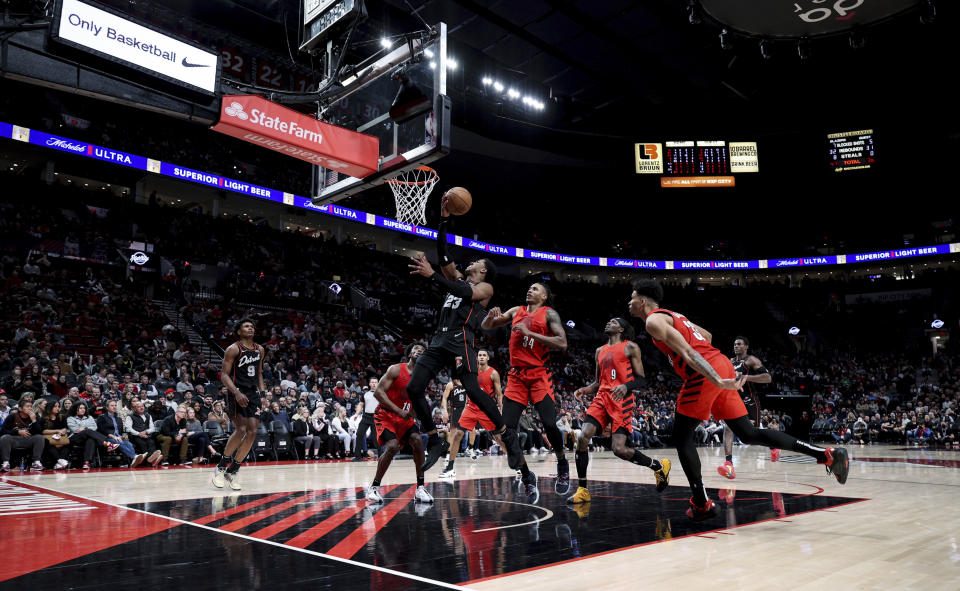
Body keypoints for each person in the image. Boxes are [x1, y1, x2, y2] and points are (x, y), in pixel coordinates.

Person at [629, 279, 849, 520]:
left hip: (706, 374)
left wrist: (714, 378)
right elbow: (707, 336)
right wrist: (715, 371)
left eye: (631, 298)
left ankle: (702, 504)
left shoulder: (653, 320)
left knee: (681, 437)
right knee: (748, 432)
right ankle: (826, 454)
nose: (628, 303)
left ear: (642, 301)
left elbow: (690, 353)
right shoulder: (674, 316)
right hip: (721, 363)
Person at [405, 196, 523, 473]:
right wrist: (444, 220)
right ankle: (435, 441)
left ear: (482, 270)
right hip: (439, 340)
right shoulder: (457, 278)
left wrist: (433, 275)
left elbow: (462, 291)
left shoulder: (486, 289)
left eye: (476, 261)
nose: (470, 262)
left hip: (461, 342)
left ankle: (506, 433)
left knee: (471, 388)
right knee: (413, 388)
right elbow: (444, 254)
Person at [567, 318, 671, 505]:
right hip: (601, 398)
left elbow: (641, 379)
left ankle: (658, 466)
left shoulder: (630, 347)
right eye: (607, 321)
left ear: (621, 329)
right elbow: (598, 382)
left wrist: (625, 386)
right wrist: (585, 389)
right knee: (583, 437)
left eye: (613, 322)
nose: (608, 323)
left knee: (618, 449)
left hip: (621, 400)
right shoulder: (599, 350)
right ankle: (583, 490)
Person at [480, 282, 570, 494]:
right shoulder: (515, 311)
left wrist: (530, 332)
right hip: (517, 376)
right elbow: (486, 326)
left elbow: (562, 342)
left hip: (539, 373)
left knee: (549, 423)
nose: (530, 290)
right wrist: (490, 316)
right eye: (529, 287)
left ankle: (562, 463)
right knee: (505, 430)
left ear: (545, 296)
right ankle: (528, 475)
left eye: (536, 289)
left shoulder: (549, 314)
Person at [366, 343, 434, 505]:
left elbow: (418, 400)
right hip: (386, 415)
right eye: (416, 349)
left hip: (404, 417)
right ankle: (374, 487)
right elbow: (378, 392)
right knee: (392, 446)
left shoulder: (423, 376)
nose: (419, 351)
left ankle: (420, 488)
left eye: (422, 350)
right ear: (409, 353)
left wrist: (416, 412)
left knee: (417, 440)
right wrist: (399, 411)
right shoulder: (396, 369)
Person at [213, 318, 265, 491]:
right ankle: (220, 468)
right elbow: (224, 375)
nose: (250, 328)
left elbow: (259, 373)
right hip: (237, 391)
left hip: (253, 393)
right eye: (246, 326)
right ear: (238, 331)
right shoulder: (233, 349)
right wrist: (236, 392)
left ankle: (233, 470)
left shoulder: (260, 349)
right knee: (241, 429)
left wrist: (263, 394)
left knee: (253, 432)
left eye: (252, 326)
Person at [718, 336, 776, 479]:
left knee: (750, 435)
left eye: (739, 344)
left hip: (749, 400)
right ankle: (729, 463)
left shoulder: (751, 360)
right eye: (734, 344)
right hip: (733, 399)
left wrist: (746, 377)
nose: (736, 346)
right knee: (728, 428)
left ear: (746, 347)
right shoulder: (729, 362)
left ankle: (774, 444)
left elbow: (767, 377)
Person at [68, 401, 118, 469]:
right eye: (80, 408)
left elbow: (94, 427)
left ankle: (86, 463)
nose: (83, 409)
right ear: (75, 409)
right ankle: (107, 443)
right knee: (88, 431)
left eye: (84, 408)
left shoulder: (89, 417)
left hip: (88, 437)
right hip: (75, 438)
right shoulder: (70, 418)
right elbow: (75, 430)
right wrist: (86, 429)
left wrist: (84, 428)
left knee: (91, 440)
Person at [97, 399, 145, 467]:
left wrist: (124, 436)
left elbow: (121, 431)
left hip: (118, 437)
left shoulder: (118, 418)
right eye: (112, 405)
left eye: (115, 405)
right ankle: (134, 457)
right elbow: (102, 430)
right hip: (107, 438)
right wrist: (113, 436)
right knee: (120, 443)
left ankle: (132, 460)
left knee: (128, 443)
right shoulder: (102, 417)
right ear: (107, 407)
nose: (114, 407)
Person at [0, 399, 45, 471]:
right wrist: (18, 432)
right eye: (27, 406)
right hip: (15, 440)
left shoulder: (35, 417)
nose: (30, 408)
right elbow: (3, 431)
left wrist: (34, 420)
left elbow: (39, 432)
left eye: (31, 406)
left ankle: (36, 462)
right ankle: (6, 463)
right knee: (5, 438)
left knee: (40, 438)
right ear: (20, 408)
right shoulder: (12, 416)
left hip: (28, 440)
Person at [124, 400, 163, 466]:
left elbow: (152, 428)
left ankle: (151, 459)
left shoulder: (148, 415)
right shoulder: (130, 416)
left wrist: (146, 432)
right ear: (134, 409)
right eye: (139, 407)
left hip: (146, 435)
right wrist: (139, 434)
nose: (141, 408)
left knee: (151, 442)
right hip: (135, 436)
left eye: (142, 406)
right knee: (142, 443)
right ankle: (150, 461)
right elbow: (128, 429)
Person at [39, 400, 72, 469]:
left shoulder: (62, 417)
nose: (57, 408)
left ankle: (59, 464)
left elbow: (65, 428)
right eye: (55, 406)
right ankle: (59, 461)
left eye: (58, 406)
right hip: (50, 439)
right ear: (50, 407)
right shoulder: (43, 419)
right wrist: (57, 431)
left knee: (68, 443)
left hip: (61, 438)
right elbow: (43, 431)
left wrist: (62, 431)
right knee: (46, 442)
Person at [353, 378, 379, 461]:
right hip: (366, 417)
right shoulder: (365, 394)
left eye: (375, 382)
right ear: (369, 384)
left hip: (376, 417)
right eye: (372, 382)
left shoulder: (381, 393)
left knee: (376, 439)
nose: (374, 384)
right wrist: (357, 414)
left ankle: (381, 456)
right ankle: (358, 457)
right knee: (359, 434)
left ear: (378, 383)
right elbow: (360, 405)